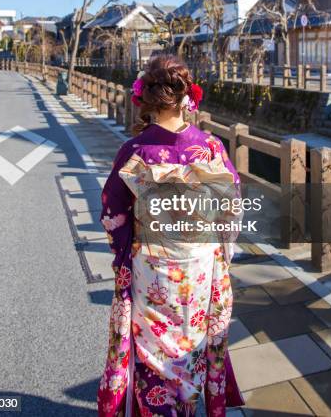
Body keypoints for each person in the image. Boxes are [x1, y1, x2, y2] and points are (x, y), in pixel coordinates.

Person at [98, 55, 244, 416]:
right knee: (194, 347)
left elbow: (112, 214)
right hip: (199, 271)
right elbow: (232, 210)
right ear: (187, 99)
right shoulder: (210, 149)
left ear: (146, 101)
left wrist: (124, 256)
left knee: (154, 354)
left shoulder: (133, 151)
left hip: (151, 272)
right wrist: (220, 254)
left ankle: (154, 407)